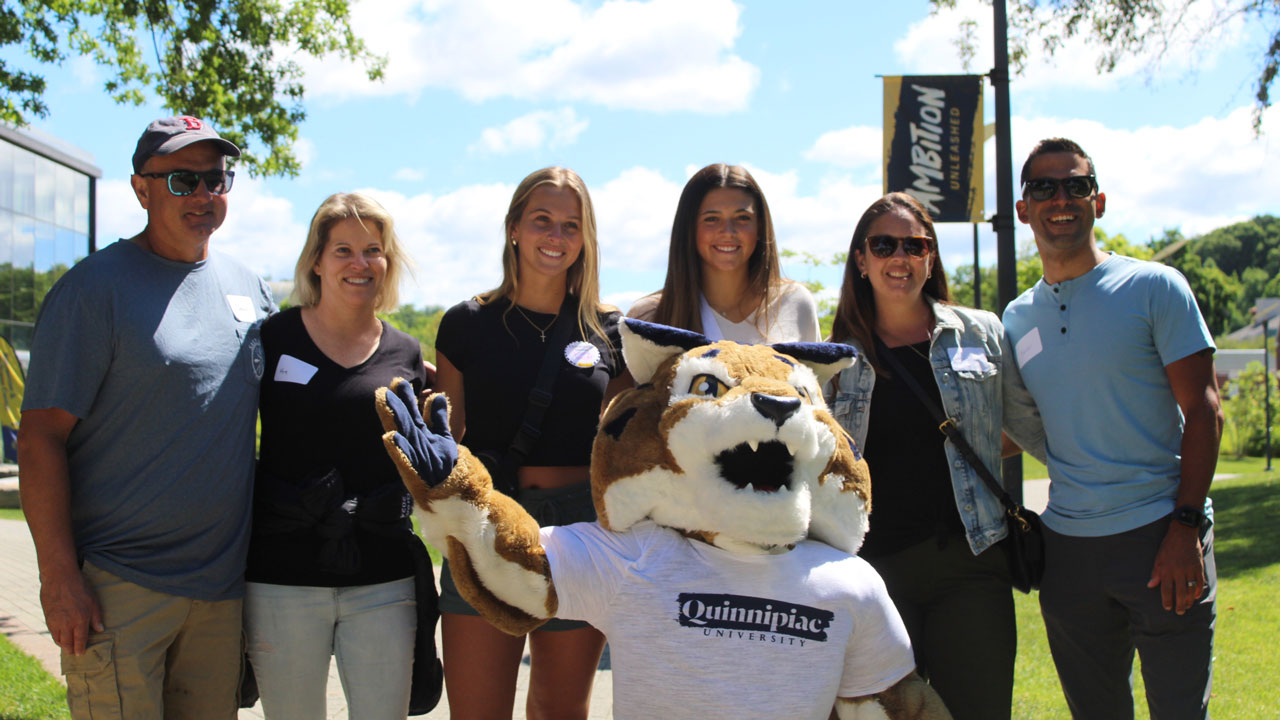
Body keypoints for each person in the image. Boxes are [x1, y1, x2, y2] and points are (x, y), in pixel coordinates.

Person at [17, 116, 274, 718]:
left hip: (220, 592)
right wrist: (59, 579)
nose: (205, 196)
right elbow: (39, 441)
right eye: (184, 181)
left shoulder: (250, 289)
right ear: (141, 189)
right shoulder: (92, 291)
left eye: (217, 180)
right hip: (117, 589)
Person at [1002, 138, 1222, 719]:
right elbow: (1022, 424)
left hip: (1160, 536)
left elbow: (1205, 410)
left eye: (1075, 185)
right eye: (1044, 188)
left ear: (1098, 201)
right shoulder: (1017, 317)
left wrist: (1185, 526)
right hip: (1068, 552)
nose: (1061, 199)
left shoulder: (1155, 287)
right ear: (1023, 208)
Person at [433, 167, 630, 720]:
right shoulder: (466, 323)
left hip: (580, 533)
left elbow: (623, 442)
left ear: (585, 239)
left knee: (560, 711)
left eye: (572, 225)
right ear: (514, 227)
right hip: (486, 525)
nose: (556, 236)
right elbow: (449, 439)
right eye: (542, 219)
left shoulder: (610, 330)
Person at [825, 192, 1024, 720]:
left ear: (931, 259)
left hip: (971, 566)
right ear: (861, 260)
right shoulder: (836, 357)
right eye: (884, 244)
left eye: (915, 245)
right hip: (873, 573)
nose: (900, 257)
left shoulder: (981, 332)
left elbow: (1025, 424)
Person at [245, 193, 436, 719]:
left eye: (373, 250)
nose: (359, 263)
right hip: (282, 576)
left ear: (388, 262)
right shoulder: (273, 338)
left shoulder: (407, 353)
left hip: (383, 576)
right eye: (343, 250)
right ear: (316, 260)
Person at [627, 163, 820, 342]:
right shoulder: (648, 317)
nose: (728, 232)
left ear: (760, 226)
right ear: (689, 228)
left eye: (742, 218)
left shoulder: (795, 303)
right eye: (711, 219)